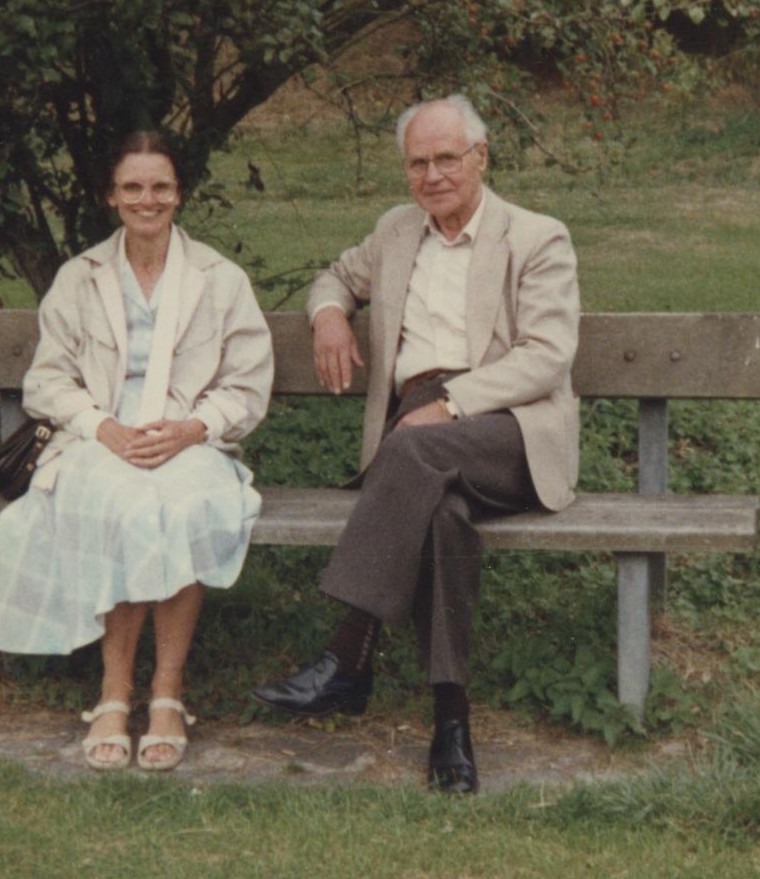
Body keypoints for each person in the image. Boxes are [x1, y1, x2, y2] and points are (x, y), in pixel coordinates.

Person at [253, 94, 580, 794]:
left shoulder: (535, 237)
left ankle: (348, 651)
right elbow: (334, 276)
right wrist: (330, 314)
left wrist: (452, 405)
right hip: (422, 431)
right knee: (442, 516)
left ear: (480, 158)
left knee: (406, 452)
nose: (433, 176)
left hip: (507, 427)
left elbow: (548, 355)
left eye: (447, 159)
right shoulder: (397, 232)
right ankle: (450, 724)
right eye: (418, 163)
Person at [0, 131, 274, 773]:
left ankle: (167, 693)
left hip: (189, 440)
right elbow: (48, 381)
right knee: (123, 505)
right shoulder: (80, 278)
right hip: (99, 440)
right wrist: (103, 427)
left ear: (179, 194)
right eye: (133, 187)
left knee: (184, 505)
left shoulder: (220, 279)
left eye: (160, 187)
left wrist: (193, 429)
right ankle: (114, 693)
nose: (147, 200)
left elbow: (247, 384)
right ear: (111, 196)